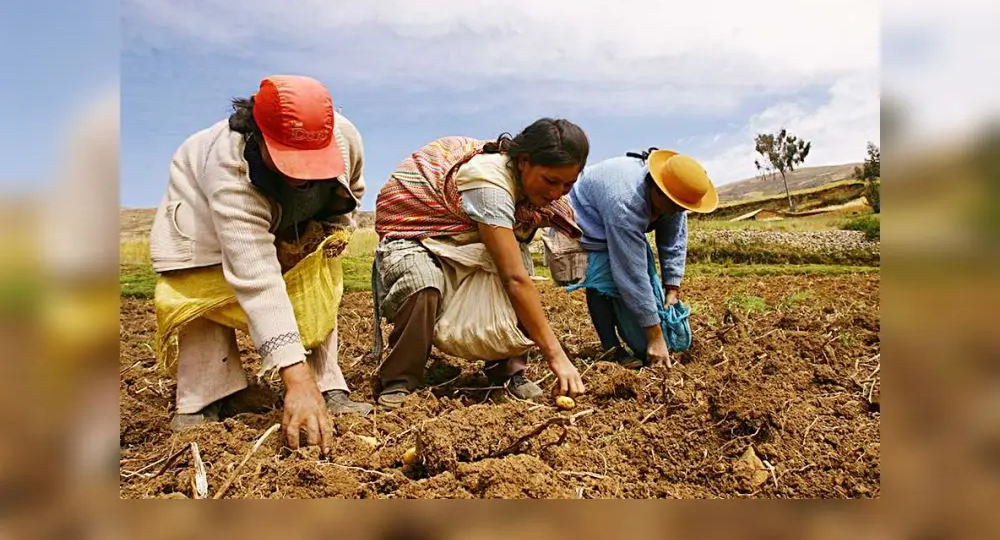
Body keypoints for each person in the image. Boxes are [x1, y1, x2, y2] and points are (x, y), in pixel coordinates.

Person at [148, 75, 373, 456]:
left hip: (298, 217)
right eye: (290, 161)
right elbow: (257, 279)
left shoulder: (343, 135)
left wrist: (333, 233)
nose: (301, 175)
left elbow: (353, 188)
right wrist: (293, 380)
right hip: (203, 224)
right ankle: (203, 399)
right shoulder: (229, 171)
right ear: (259, 137)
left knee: (314, 279)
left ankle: (327, 383)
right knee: (204, 291)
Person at [371, 118, 590, 408]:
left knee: (516, 266)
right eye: (550, 181)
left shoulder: (535, 195)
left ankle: (508, 371)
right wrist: (556, 355)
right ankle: (400, 379)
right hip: (419, 234)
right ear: (523, 162)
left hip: (468, 235)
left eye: (568, 184)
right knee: (420, 284)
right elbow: (514, 279)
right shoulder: (489, 184)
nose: (556, 193)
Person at [567, 148, 719, 369]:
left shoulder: (674, 197)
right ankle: (611, 349)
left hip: (617, 213)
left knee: (645, 308)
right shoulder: (625, 204)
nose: (678, 212)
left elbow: (673, 241)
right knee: (601, 281)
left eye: (682, 209)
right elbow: (632, 274)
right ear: (657, 191)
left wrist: (672, 288)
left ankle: (639, 333)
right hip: (586, 216)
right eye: (674, 207)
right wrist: (655, 338)